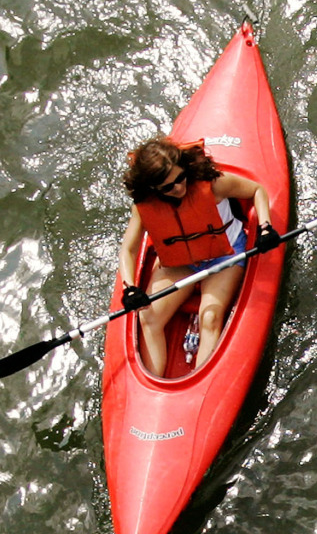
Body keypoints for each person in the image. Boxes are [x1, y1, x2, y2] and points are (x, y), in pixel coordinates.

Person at [115, 137, 279, 378]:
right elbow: (128, 250)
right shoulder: (144, 207)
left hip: (224, 256)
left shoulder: (212, 184)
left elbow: (257, 190)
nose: (178, 187)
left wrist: (265, 227)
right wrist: (129, 288)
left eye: (180, 178)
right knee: (148, 318)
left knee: (210, 317)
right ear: (153, 188)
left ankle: (201, 381)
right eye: (168, 187)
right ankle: (154, 385)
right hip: (180, 263)